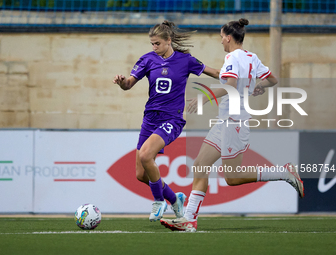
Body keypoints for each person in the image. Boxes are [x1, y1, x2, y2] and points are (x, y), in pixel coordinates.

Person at [160, 18, 305, 232]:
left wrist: (204, 97)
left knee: (233, 177)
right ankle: (189, 220)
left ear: (228, 37)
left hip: (234, 122)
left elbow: (230, 85)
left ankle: (284, 173)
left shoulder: (231, 58)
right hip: (226, 121)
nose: (221, 42)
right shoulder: (251, 57)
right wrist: (259, 86)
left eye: (221, 37)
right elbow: (272, 79)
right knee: (200, 164)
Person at [113, 20, 220, 221]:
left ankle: (158, 201)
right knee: (140, 174)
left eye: (157, 44)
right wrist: (121, 83)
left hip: (172, 118)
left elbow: (213, 72)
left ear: (168, 41)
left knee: (146, 156)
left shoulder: (185, 60)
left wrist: (235, 79)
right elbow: (128, 84)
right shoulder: (147, 60)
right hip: (150, 118)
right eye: (152, 44)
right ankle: (174, 199)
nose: (154, 47)